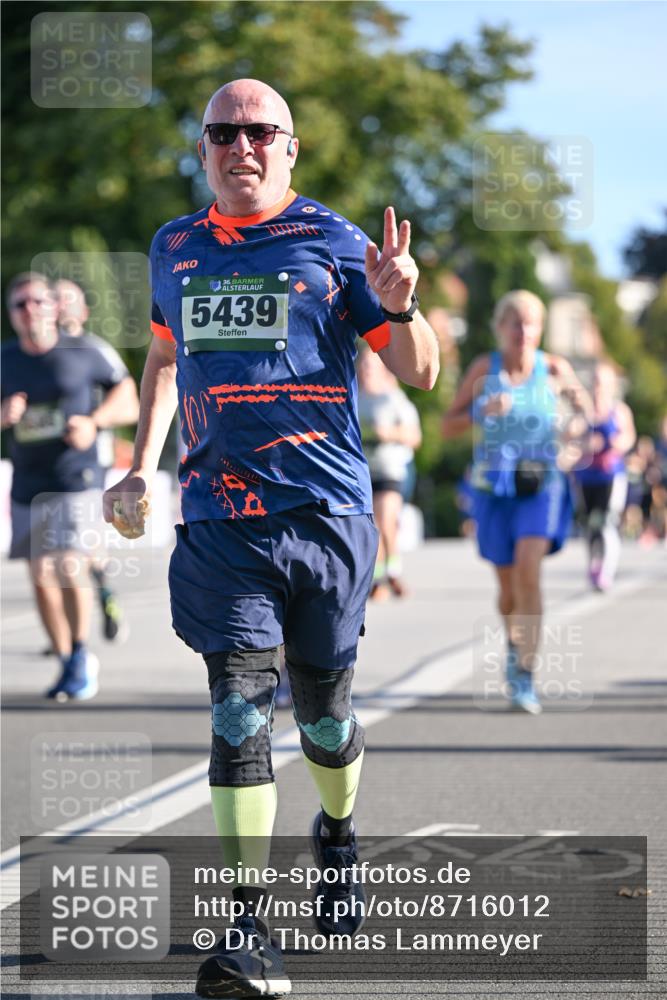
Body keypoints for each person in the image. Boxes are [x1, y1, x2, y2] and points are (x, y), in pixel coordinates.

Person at [104, 79, 439, 998]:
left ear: (289, 148)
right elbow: (165, 354)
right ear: (203, 148)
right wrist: (140, 460)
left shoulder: (337, 245)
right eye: (223, 132)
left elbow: (420, 372)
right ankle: (247, 925)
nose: (240, 146)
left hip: (326, 517)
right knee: (240, 707)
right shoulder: (174, 246)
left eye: (260, 132)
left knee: (324, 718)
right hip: (219, 518)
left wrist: (402, 306)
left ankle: (336, 833)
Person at [442, 289, 590, 715]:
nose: (522, 331)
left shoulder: (555, 368)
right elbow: (447, 426)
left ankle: (525, 674)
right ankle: (513, 643)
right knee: (507, 591)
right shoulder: (482, 370)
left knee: (529, 574)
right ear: (500, 327)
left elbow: (587, 416)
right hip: (492, 488)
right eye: (514, 322)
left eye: (530, 322)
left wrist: (578, 420)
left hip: (542, 484)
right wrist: (479, 412)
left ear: (540, 329)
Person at [1, 272, 139, 701]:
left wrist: (93, 423)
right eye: (20, 305)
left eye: (37, 301)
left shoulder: (85, 351)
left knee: (67, 564)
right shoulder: (5, 360)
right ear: (11, 316)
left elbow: (130, 398)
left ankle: (79, 654)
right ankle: (66, 660)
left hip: (76, 477)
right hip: (28, 479)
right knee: (40, 576)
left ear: (53, 307)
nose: (30, 311)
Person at [47, 278, 130, 641]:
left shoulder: (96, 350)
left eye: (68, 299)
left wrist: (93, 423)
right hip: (43, 463)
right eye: (55, 299)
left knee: (71, 551)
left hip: (87, 461)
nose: (60, 305)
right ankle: (69, 626)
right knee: (59, 553)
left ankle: (77, 636)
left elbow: (130, 403)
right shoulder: (37, 352)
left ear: (84, 311)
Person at [357, 345, 422, 599]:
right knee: (371, 526)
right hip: (363, 470)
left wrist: (390, 434)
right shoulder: (354, 398)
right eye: (363, 365)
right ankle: (378, 578)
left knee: (385, 519)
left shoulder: (394, 399)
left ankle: (392, 571)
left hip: (391, 469)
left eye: (371, 365)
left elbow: (414, 436)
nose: (366, 370)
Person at [573, 361, 636, 590]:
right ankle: (593, 563)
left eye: (602, 382)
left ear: (611, 385)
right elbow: (570, 438)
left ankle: (605, 572)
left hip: (610, 476)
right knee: (590, 525)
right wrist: (584, 443)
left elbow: (628, 438)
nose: (597, 386)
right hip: (586, 477)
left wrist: (612, 444)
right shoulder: (584, 412)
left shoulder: (618, 411)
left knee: (606, 522)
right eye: (595, 381)